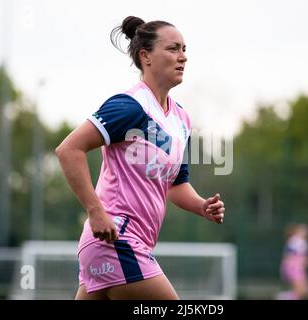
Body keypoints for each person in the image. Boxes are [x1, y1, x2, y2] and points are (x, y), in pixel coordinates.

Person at [56, 16, 225, 300]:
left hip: (119, 245)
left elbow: (175, 185)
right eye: (173, 49)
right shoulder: (129, 106)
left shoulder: (181, 119)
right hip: (117, 239)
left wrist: (201, 206)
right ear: (145, 56)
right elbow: (68, 150)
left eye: (184, 49)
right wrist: (95, 211)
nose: (183, 56)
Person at [277, 223, 308, 300]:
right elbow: (290, 255)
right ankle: (283, 297)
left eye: (306, 230)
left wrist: (305, 260)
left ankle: (284, 296)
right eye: (303, 230)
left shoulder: (300, 241)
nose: (305, 232)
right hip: (294, 268)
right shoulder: (296, 240)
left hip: (298, 268)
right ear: (297, 231)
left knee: (303, 291)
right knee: (300, 291)